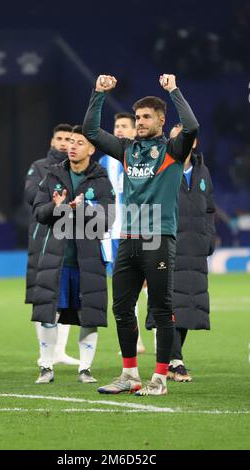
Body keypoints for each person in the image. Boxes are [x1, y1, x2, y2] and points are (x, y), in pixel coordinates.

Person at [83, 73, 199, 396]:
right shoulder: (127, 150)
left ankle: (160, 379)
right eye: (137, 117)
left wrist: (174, 90)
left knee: (161, 309)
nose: (140, 121)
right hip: (129, 238)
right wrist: (98, 94)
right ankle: (130, 374)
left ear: (161, 120)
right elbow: (91, 131)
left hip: (159, 237)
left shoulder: (173, 149)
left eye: (147, 116)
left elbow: (191, 126)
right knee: (121, 307)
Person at [32, 125, 115, 384]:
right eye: (69, 141)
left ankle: (85, 369)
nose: (71, 146)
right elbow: (38, 212)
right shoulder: (52, 175)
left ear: (91, 149)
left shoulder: (101, 179)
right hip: (56, 259)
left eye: (78, 142)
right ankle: (46, 366)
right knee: (49, 313)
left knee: (88, 315)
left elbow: (108, 219)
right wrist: (55, 206)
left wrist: (83, 209)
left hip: (87, 260)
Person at [161, 123, 215, 382]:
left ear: (193, 143)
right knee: (170, 306)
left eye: (185, 138)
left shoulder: (203, 171)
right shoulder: (160, 170)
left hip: (195, 252)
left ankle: (174, 359)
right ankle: (174, 361)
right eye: (175, 139)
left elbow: (210, 209)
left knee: (189, 306)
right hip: (168, 248)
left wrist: (209, 239)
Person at [25, 123, 79, 367]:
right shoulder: (39, 167)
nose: (64, 143)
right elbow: (30, 196)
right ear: (52, 141)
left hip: (69, 239)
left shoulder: (77, 169)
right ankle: (44, 351)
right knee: (44, 297)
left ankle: (60, 351)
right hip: (43, 239)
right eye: (60, 138)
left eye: (69, 139)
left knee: (66, 296)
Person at [99, 112, 148, 354]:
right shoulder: (103, 163)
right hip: (113, 234)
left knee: (154, 287)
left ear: (134, 129)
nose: (118, 130)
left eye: (124, 126)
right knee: (127, 290)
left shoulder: (143, 157)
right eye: (116, 125)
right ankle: (136, 341)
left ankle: (165, 343)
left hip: (142, 230)